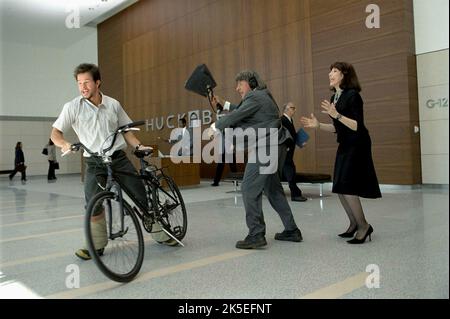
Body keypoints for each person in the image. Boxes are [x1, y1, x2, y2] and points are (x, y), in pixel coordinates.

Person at [51, 63, 176, 261]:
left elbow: (126, 130)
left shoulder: (113, 104)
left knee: (139, 195)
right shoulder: (72, 107)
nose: (82, 87)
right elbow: (55, 133)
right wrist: (64, 144)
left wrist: (137, 146)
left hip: (118, 158)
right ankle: (97, 243)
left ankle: (161, 234)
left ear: (98, 82)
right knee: (93, 203)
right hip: (94, 162)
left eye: (86, 82)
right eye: (79, 83)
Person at [210, 70, 302, 249]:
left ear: (251, 82)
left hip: (267, 147)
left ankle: (256, 233)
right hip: (276, 145)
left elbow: (238, 115)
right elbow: (242, 109)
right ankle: (292, 230)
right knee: (273, 189)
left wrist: (216, 126)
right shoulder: (260, 97)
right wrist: (223, 103)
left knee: (249, 188)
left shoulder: (255, 97)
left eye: (240, 84)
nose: (237, 88)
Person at [300, 62, 381, 244]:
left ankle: (363, 226)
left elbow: (356, 125)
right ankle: (353, 224)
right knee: (340, 185)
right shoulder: (334, 97)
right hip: (345, 143)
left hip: (357, 143)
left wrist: (336, 115)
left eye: (335, 71)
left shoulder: (353, 96)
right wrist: (319, 125)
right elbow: (337, 128)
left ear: (344, 75)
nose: (330, 74)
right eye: (330, 71)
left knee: (348, 184)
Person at [281, 102, 307, 202]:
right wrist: (285, 147)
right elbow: (281, 135)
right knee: (290, 172)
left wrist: (300, 142)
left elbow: (292, 135)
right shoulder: (282, 120)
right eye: (293, 108)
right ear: (286, 109)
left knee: (289, 171)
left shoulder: (290, 120)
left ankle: (295, 194)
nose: (294, 110)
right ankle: (295, 194)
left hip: (288, 153)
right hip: (285, 152)